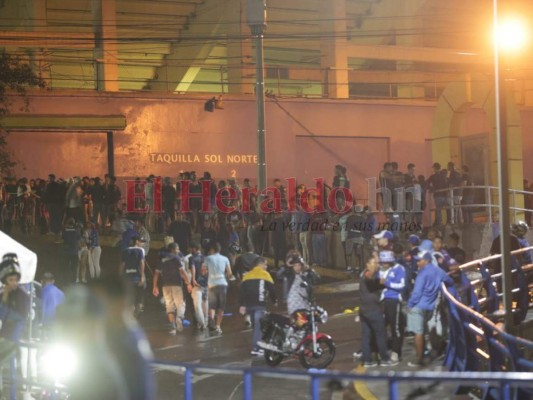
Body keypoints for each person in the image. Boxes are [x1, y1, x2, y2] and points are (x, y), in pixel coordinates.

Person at [54, 286, 130, 400]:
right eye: (65, 323)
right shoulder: (84, 359)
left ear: (92, 325)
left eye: (73, 323)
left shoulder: (101, 369)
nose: (66, 331)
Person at [90, 276, 156, 400]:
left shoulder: (128, 343)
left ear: (120, 303)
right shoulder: (115, 333)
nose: (94, 309)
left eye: (99, 302)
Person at [406, 250, 453, 368]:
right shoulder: (438, 271)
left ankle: (419, 360)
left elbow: (417, 293)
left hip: (418, 306)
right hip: (430, 306)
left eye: (419, 260)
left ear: (426, 260)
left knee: (418, 332)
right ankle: (436, 353)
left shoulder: (422, 273)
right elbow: (449, 281)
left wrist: (410, 305)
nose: (417, 263)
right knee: (432, 330)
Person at [359, 257, 397, 367]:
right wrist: (381, 281)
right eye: (374, 262)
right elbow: (370, 279)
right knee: (380, 334)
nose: (376, 264)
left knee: (366, 336)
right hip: (373, 310)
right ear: (367, 264)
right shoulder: (368, 274)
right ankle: (384, 358)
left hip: (364, 310)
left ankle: (367, 360)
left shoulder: (363, 274)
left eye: (377, 262)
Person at [239, 257, 277, 356]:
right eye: (265, 264)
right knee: (259, 326)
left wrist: (242, 305)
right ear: (260, 264)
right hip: (260, 304)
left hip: (249, 306)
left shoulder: (247, 276)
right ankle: (257, 348)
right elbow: (272, 289)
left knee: (256, 326)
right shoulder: (265, 274)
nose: (266, 266)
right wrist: (275, 301)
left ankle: (258, 346)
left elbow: (242, 292)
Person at [152, 243, 192, 334]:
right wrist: (188, 283)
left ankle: (172, 326)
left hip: (165, 285)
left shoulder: (161, 260)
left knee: (169, 305)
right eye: (177, 249)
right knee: (180, 304)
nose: (178, 251)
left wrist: (154, 286)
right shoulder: (176, 258)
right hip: (177, 284)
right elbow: (182, 271)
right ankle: (179, 317)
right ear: (173, 250)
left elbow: (156, 274)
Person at [378, 251, 406, 362]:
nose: (384, 264)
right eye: (383, 262)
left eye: (387, 262)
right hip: (382, 301)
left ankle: (396, 352)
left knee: (395, 328)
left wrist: (387, 283)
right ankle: (382, 351)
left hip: (394, 301)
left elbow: (402, 285)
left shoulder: (399, 269)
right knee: (380, 328)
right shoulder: (379, 269)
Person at [205, 243, 234, 334]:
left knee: (212, 306)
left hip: (212, 285)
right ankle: (218, 326)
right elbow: (229, 274)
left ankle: (212, 320)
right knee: (221, 307)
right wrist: (231, 278)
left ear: (212, 250)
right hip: (223, 285)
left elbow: (203, 271)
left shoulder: (208, 258)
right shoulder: (225, 259)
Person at [119, 236, 147, 317]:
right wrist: (142, 276)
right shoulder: (140, 250)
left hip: (127, 279)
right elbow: (142, 263)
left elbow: (122, 264)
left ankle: (130, 315)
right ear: (137, 242)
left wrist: (120, 276)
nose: (143, 243)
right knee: (139, 298)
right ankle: (138, 311)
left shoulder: (125, 251)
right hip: (137, 278)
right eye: (141, 242)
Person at [186, 242, 208, 330]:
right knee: (205, 303)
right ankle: (205, 321)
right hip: (205, 284)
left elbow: (193, 268)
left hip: (196, 285)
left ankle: (202, 323)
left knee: (197, 305)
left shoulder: (192, 258)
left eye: (191, 249)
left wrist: (193, 279)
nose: (190, 251)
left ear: (194, 249)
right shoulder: (205, 257)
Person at [62, 217, 81, 284]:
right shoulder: (77, 230)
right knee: (74, 267)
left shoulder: (65, 230)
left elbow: (63, 238)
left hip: (66, 251)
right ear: (74, 223)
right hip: (74, 251)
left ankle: (66, 280)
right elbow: (79, 240)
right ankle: (73, 280)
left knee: (66, 266)